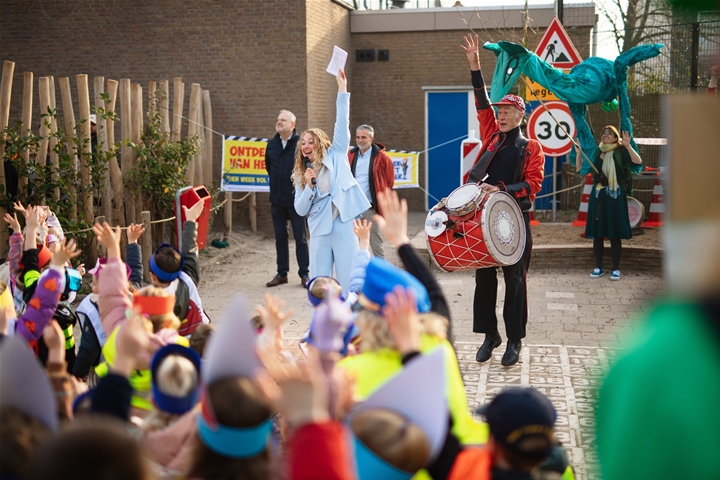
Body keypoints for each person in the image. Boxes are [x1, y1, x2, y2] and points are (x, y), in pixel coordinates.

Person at [461, 34, 545, 367]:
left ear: (520, 115)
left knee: (514, 281)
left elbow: (533, 185)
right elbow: (481, 104)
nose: (501, 115)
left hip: (515, 221)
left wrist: (503, 191)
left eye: (508, 111)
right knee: (483, 279)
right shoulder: (491, 137)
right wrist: (475, 68)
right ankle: (489, 335)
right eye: (500, 111)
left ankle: (514, 340)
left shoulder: (530, 147)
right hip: (485, 222)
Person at [293, 70, 370, 295]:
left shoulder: (336, 153)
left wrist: (342, 88)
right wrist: (308, 186)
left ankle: (351, 320)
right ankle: (321, 322)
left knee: (348, 279)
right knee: (320, 283)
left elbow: (342, 121)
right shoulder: (301, 173)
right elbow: (300, 210)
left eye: (310, 141)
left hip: (345, 222)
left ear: (319, 142)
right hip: (319, 228)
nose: (306, 145)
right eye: (303, 143)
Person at [574, 125, 641, 281]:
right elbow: (579, 169)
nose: (605, 135)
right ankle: (598, 267)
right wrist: (578, 154)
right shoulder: (597, 152)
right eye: (604, 133)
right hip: (599, 195)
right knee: (598, 233)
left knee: (614, 233)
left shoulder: (620, 152)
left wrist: (628, 145)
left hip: (616, 195)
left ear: (616, 137)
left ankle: (616, 268)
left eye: (609, 133)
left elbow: (637, 162)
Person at [265, 109, 310, 288]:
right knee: (280, 238)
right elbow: (269, 167)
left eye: (283, 120)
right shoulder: (271, 144)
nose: (279, 122)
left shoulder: (300, 144)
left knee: (300, 238)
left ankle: (304, 274)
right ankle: (281, 273)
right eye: (278, 119)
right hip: (277, 199)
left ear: (293, 124)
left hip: (295, 200)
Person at [347, 124, 395, 258]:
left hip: (370, 207)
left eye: (363, 137)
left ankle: (382, 276)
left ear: (371, 138)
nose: (360, 140)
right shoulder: (350, 155)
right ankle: (359, 273)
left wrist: (382, 202)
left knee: (376, 243)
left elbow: (389, 182)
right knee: (354, 244)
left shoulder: (383, 158)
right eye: (357, 137)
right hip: (353, 208)